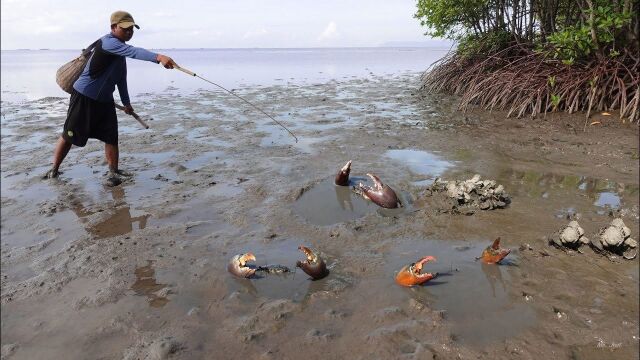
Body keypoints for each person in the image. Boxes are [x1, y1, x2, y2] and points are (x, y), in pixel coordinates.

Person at [44, 10, 177, 186]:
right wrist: (158, 57)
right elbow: (134, 52)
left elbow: (121, 80)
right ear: (113, 27)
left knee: (111, 137)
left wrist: (127, 103)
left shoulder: (120, 54)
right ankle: (54, 169)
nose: (129, 32)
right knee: (70, 134)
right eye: (125, 29)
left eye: (131, 29)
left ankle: (113, 172)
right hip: (84, 96)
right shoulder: (108, 43)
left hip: (105, 101)